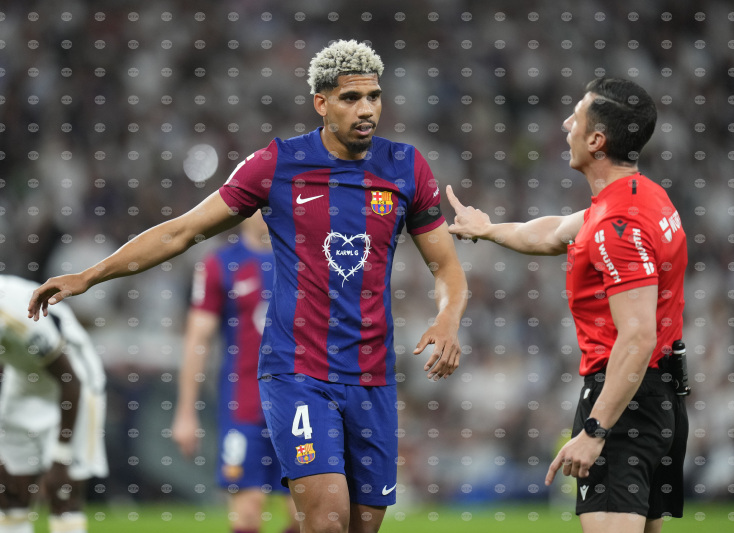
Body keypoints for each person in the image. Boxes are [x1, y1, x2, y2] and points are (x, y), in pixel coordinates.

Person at [29, 39, 467, 533]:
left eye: (374, 96)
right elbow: (182, 231)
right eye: (350, 98)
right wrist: (89, 275)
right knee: (326, 521)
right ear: (321, 103)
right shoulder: (278, 164)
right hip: (299, 373)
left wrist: (447, 318)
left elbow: (446, 268)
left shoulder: (406, 167)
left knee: (360, 526)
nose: (366, 109)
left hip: (372, 377)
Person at [446, 78, 688, 533]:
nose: (565, 125)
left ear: (596, 140)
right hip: (658, 397)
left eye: (575, 118)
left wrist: (596, 430)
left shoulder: (618, 224)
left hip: (624, 401)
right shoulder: (643, 197)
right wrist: (489, 229)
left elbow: (638, 336)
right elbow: (555, 233)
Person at [171, 213, 299, 533]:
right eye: (258, 203)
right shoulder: (220, 264)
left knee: (303, 513)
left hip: (300, 403)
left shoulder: (305, 260)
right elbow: (197, 340)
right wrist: (186, 412)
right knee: (247, 511)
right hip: (243, 405)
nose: (267, 210)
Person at [0, 275, 108, 533]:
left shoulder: (16, 313)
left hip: (75, 377)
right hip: (23, 376)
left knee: (63, 490)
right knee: (9, 488)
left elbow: (69, 380)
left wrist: (61, 456)